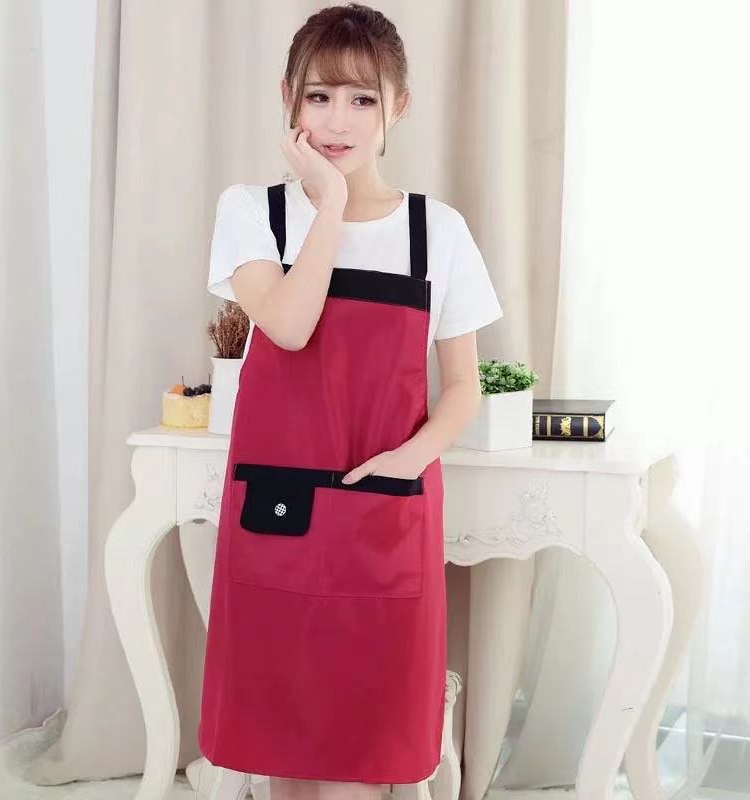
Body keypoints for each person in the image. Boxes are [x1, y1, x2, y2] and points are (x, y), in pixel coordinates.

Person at [198, 5, 503, 800]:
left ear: (398, 106)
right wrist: (329, 203)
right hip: (280, 519)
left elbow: (465, 385)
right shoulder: (253, 211)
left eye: (364, 99)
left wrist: (410, 459)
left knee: (365, 758)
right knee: (283, 748)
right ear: (288, 100)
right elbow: (289, 325)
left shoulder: (438, 232)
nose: (339, 120)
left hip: (384, 514)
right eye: (320, 96)